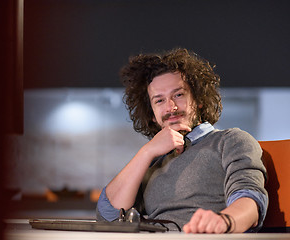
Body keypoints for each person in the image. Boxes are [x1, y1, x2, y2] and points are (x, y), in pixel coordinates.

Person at [96, 48, 268, 233]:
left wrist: (225, 221)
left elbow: (250, 199)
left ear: (199, 100)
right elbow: (108, 216)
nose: (171, 107)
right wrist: (147, 151)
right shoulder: (152, 160)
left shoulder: (230, 140)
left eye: (178, 95)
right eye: (159, 101)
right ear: (152, 114)